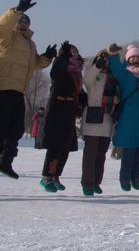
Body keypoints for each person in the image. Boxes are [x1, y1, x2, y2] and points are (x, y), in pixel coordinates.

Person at [0, 0, 56, 179]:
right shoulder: (8, 38)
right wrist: (17, 10)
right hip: (3, 87)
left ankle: (5, 162)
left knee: (15, 129)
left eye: (26, 21)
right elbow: (3, 25)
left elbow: (35, 64)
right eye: (21, 20)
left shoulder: (30, 44)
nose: (23, 23)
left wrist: (47, 57)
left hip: (18, 91)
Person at [108, 44, 139, 191]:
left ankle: (136, 177)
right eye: (133, 57)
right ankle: (125, 178)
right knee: (129, 149)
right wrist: (113, 54)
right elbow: (115, 68)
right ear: (128, 59)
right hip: (129, 114)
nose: (136, 59)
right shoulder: (125, 73)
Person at [40, 42, 83, 192]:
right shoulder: (61, 64)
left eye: (76, 51)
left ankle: (56, 175)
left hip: (70, 110)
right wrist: (61, 57)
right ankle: (47, 176)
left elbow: (79, 92)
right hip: (57, 108)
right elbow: (55, 75)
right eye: (70, 51)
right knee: (55, 145)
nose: (74, 53)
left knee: (65, 147)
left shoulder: (78, 71)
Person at [80, 50, 118, 196]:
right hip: (93, 118)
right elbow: (87, 80)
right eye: (104, 59)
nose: (106, 62)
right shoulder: (93, 75)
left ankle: (96, 182)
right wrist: (97, 66)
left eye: (108, 60)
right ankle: (87, 183)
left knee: (101, 154)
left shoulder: (114, 78)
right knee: (90, 154)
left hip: (108, 118)